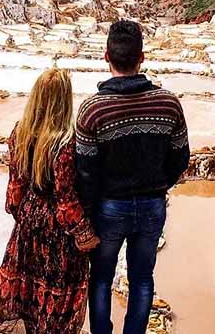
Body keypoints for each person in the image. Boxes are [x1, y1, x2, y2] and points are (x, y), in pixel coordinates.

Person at [76, 20, 190, 334]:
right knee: (142, 279)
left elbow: (85, 170)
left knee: (100, 278)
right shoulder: (168, 103)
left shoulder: (93, 110)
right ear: (142, 58)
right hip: (153, 205)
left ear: (106, 57)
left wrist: (88, 213)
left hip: (109, 207)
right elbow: (181, 157)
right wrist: (158, 185)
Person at [0, 68, 101, 334]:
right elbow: (65, 198)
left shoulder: (19, 133)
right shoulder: (66, 143)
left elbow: (14, 190)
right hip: (58, 234)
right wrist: (84, 233)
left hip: (28, 224)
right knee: (55, 296)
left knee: (29, 290)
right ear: (64, 100)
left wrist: (25, 216)